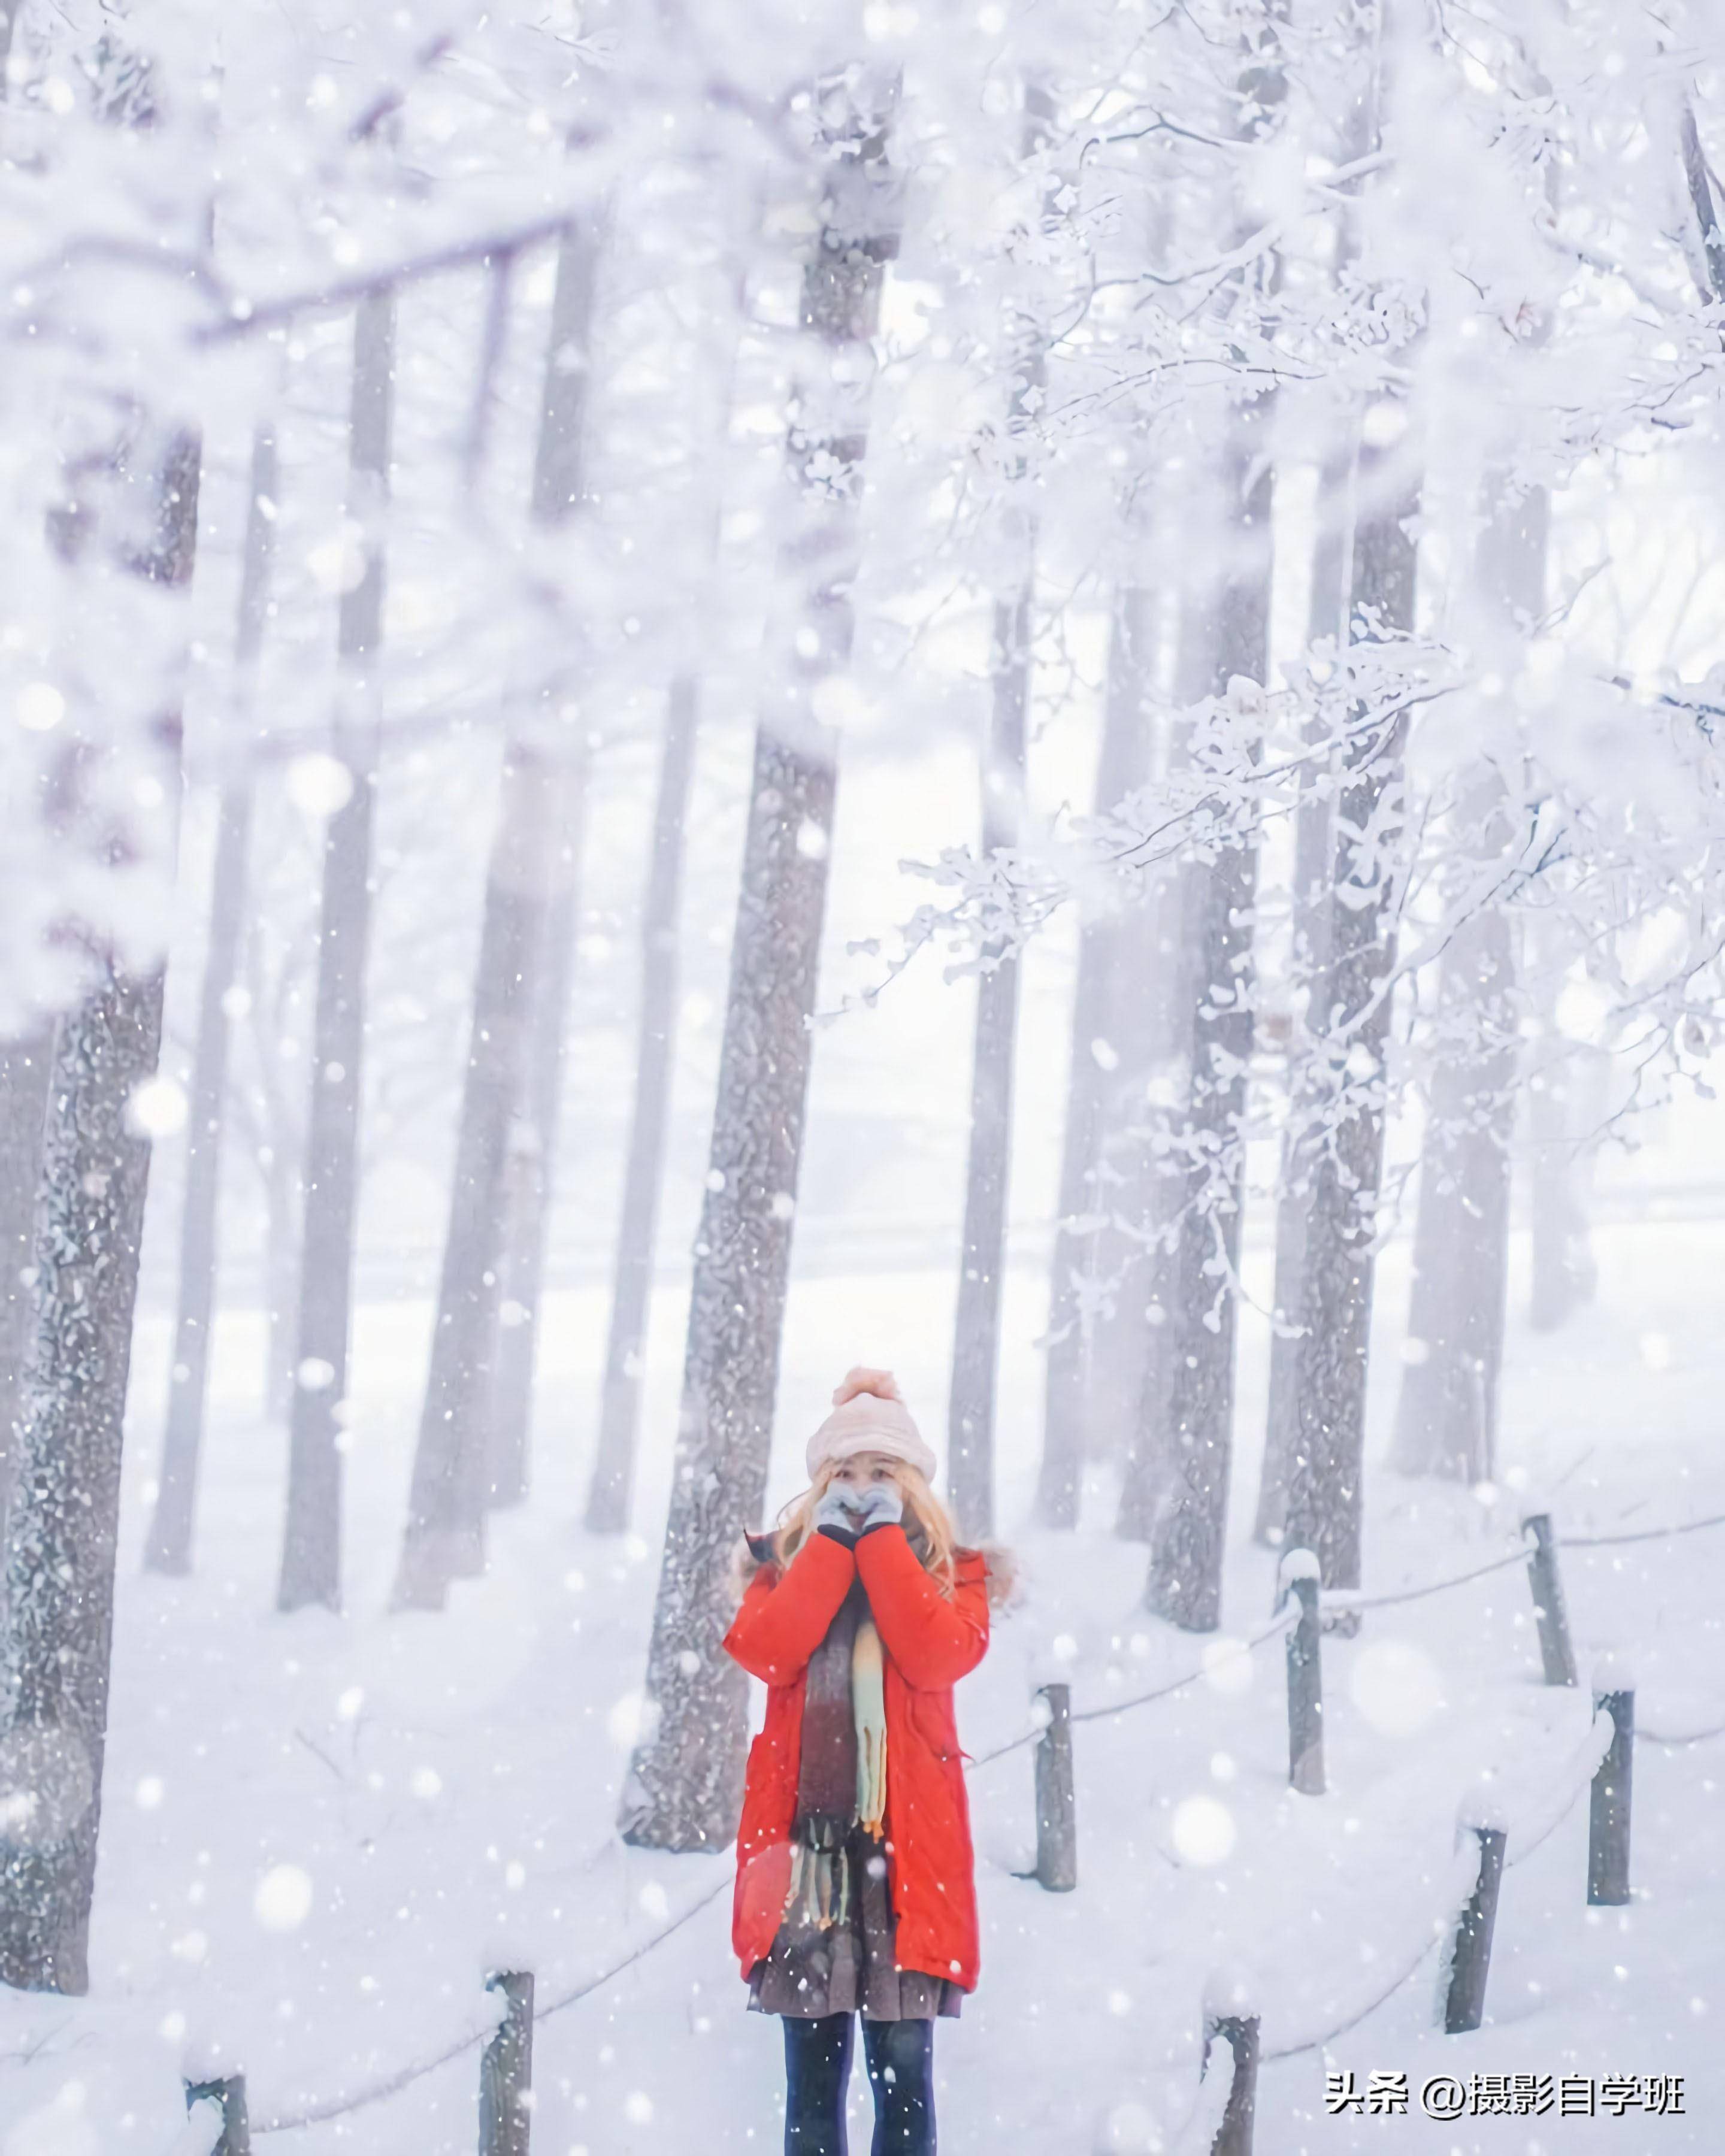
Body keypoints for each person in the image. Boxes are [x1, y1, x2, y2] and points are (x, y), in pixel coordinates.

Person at [723, 1367, 1013, 2156]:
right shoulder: (781, 1570)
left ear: (911, 1481)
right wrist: (827, 1550)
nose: (860, 1488)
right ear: (820, 1484)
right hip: (807, 1870)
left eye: (881, 1471)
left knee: (904, 2089)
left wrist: (881, 1543)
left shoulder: (954, 1574)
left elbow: (935, 1654)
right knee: (812, 2093)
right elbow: (769, 1650)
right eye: (845, 1473)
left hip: (905, 1869)